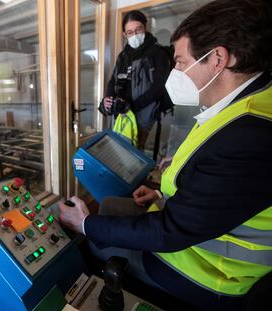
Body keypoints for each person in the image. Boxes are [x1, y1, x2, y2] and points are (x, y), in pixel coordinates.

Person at [59, 0, 272, 309]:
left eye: (181, 62)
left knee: (92, 245)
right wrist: (162, 193)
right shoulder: (244, 104)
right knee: (108, 205)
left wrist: (86, 225)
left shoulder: (250, 136)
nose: (176, 72)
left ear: (217, 59)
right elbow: (217, 190)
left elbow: (170, 232)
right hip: (192, 228)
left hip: (209, 272)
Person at [99, 10, 171, 150]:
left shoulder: (157, 52)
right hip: (122, 114)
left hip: (143, 116)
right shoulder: (123, 55)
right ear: (125, 34)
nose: (135, 35)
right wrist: (108, 99)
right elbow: (113, 81)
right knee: (119, 152)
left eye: (138, 30)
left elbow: (159, 87)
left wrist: (131, 106)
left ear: (145, 28)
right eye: (130, 32)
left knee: (135, 154)